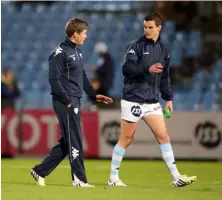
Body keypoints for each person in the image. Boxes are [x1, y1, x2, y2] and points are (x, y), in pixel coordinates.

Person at [108, 13, 197, 187]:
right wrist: (146, 68)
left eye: (150, 27)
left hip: (152, 102)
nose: (147, 30)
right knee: (126, 139)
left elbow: (164, 78)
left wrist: (169, 99)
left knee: (163, 136)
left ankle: (176, 177)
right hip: (133, 99)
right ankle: (113, 178)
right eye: (145, 27)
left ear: (159, 28)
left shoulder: (163, 51)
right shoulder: (136, 46)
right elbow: (127, 69)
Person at [30, 17, 113, 188]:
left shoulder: (77, 51)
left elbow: (81, 77)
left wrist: (94, 95)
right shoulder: (59, 53)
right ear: (75, 34)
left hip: (74, 99)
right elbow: (53, 80)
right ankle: (79, 180)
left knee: (68, 141)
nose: (86, 36)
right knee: (75, 139)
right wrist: (66, 100)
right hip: (65, 101)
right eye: (84, 33)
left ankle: (40, 171)